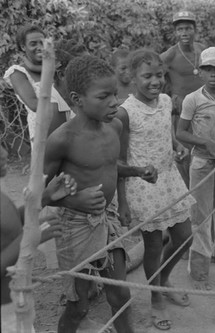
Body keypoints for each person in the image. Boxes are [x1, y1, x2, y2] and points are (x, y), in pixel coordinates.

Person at [43, 55, 133, 333]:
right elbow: (39, 194)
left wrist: (138, 171)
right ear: (77, 98)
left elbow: (109, 165)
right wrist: (74, 199)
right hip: (75, 226)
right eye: (104, 96)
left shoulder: (114, 127)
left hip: (106, 219)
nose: (114, 103)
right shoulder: (62, 139)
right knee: (79, 305)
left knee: (120, 295)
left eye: (115, 95)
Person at [116, 49, 195, 330]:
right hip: (144, 185)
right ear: (132, 78)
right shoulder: (125, 112)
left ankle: (164, 280)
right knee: (152, 245)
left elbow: (168, 133)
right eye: (147, 76)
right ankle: (156, 298)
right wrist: (123, 202)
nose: (155, 81)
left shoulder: (164, 101)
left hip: (170, 178)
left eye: (159, 75)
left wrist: (178, 147)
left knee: (185, 236)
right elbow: (120, 160)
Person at [176, 46, 215, 291]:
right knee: (201, 217)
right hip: (202, 164)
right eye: (208, 69)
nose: (213, 74)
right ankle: (199, 273)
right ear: (200, 72)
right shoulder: (193, 99)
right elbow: (180, 132)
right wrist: (205, 143)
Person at [1, 145, 77, 333]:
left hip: (16, 304)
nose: (4, 153)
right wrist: (30, 237)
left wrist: (44, 198)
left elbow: (7, 226)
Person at [160, 10, 206, 188]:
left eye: (188, 28)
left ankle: (204, 190)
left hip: (203, 108)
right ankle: (188, 193)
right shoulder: (170, 55)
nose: (184, 33)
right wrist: (169, 97)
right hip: (182, 111)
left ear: (195, 29)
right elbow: (153, 76)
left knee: (203, 150)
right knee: (184, 152)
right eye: (180, 29)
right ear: (175, 32)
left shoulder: (202, 50)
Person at [3, 25, 69, 142]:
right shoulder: (18, 72)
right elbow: (34, 104)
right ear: (23, 47)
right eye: (33, 44)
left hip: (70, 128)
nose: (39, 47)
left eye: (42, 43)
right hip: (44, 134)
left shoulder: (56, 66)